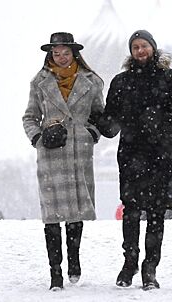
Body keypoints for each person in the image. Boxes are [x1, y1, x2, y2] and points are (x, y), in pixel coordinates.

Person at [92, 30, 172, 290]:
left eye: (144, 45)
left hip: (162, 154)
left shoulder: (171, 80)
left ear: (153, 48)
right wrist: (97, 120)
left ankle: (150, 267)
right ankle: (130, 262)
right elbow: (111, 122)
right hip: (132, 154)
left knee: (157, 214)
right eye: (135, 47)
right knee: (131, 211)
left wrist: (160, 120)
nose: (140, 51)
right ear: (131, 51)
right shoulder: (121, 82)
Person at [22, 32, 105, 290]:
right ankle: (55, 272)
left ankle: (74, 260)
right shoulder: (40, 82)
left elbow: (99, 115)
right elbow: (29, 116)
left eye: (64, 52)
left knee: (76, 210)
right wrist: (38, 138)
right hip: (51, 151)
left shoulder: (91, 82)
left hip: (79, 150)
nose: (60, 57)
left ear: (74, 53)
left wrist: (92, 133)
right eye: (55, 53)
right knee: (52, 214)